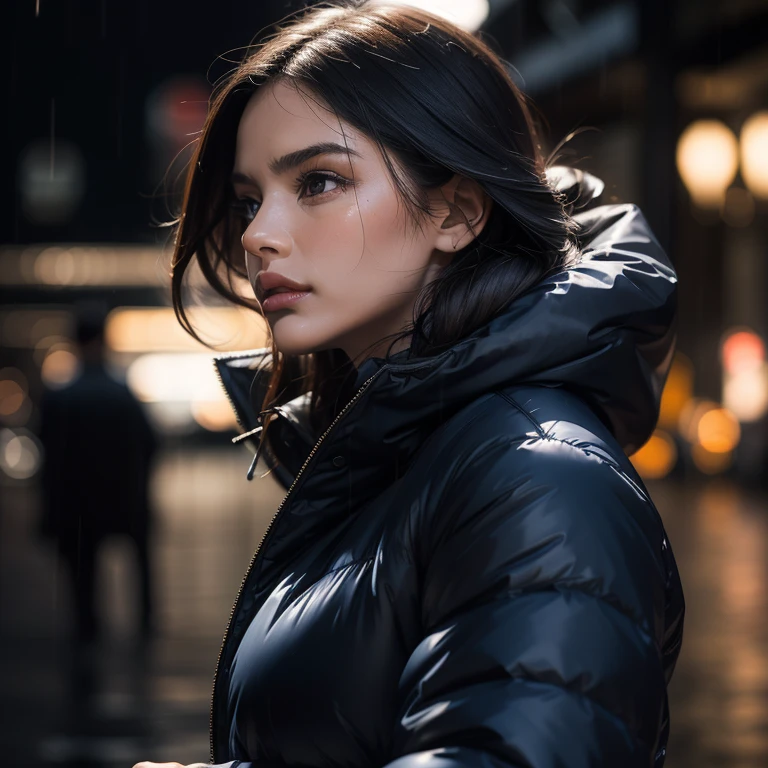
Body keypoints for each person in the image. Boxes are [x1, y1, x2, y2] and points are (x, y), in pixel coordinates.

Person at [135, 2, 684, 766]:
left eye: (319, 181)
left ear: (456, 211)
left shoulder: (536, 478)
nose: (260, 233)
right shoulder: (404, 454)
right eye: (248, 199)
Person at [39, 303, 157, 646]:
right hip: (125, 497)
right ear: (104, 341)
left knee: (82, 573)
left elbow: (51, 458)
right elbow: (150, 446)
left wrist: (50, 508)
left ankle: (87, 629)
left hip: (78, 502)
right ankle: (145, 623)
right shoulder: (123, 394)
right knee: (140, 564)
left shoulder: (60, 398)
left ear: (73, 343)